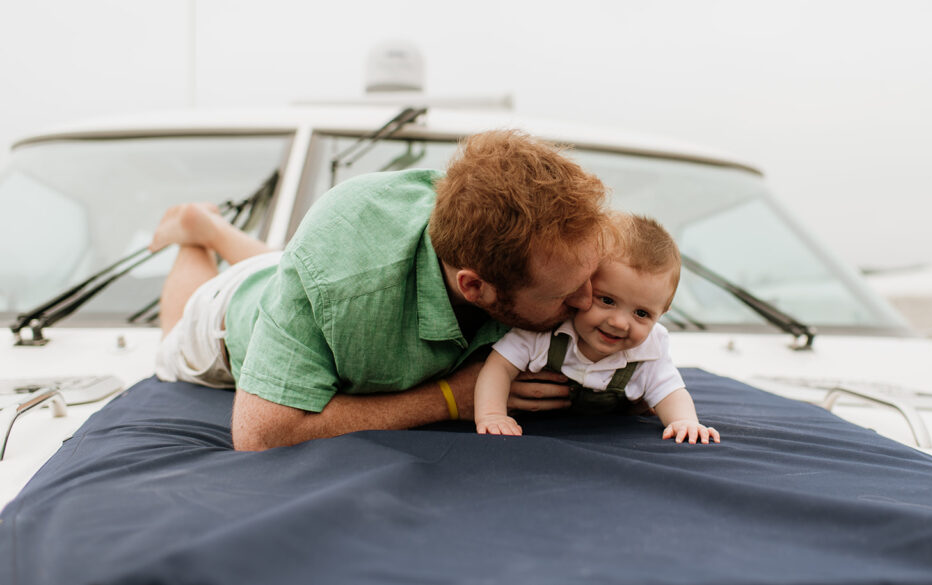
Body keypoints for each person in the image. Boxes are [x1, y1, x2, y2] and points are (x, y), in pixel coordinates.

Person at [150, 130, 607, 451]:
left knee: (280, 263)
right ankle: (194, 237)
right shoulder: (342, 282)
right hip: (229, 318)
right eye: (565, 297)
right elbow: (261, 435)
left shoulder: (533, 239)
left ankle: (218, 231)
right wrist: (451, 398)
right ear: (476, 287)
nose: (587, 301)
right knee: (179, 331)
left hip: (306, 273)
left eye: (593, 279)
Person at [474, 213, 721, 444]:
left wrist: (684, 421)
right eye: (607, 300)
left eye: (642, 313)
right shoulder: (546, 329)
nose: (619, 323)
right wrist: (492, 414)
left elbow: (670, 391)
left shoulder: (649, 349)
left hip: (607, 440)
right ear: (580, 286)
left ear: (661, 314)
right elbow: (499, 366)